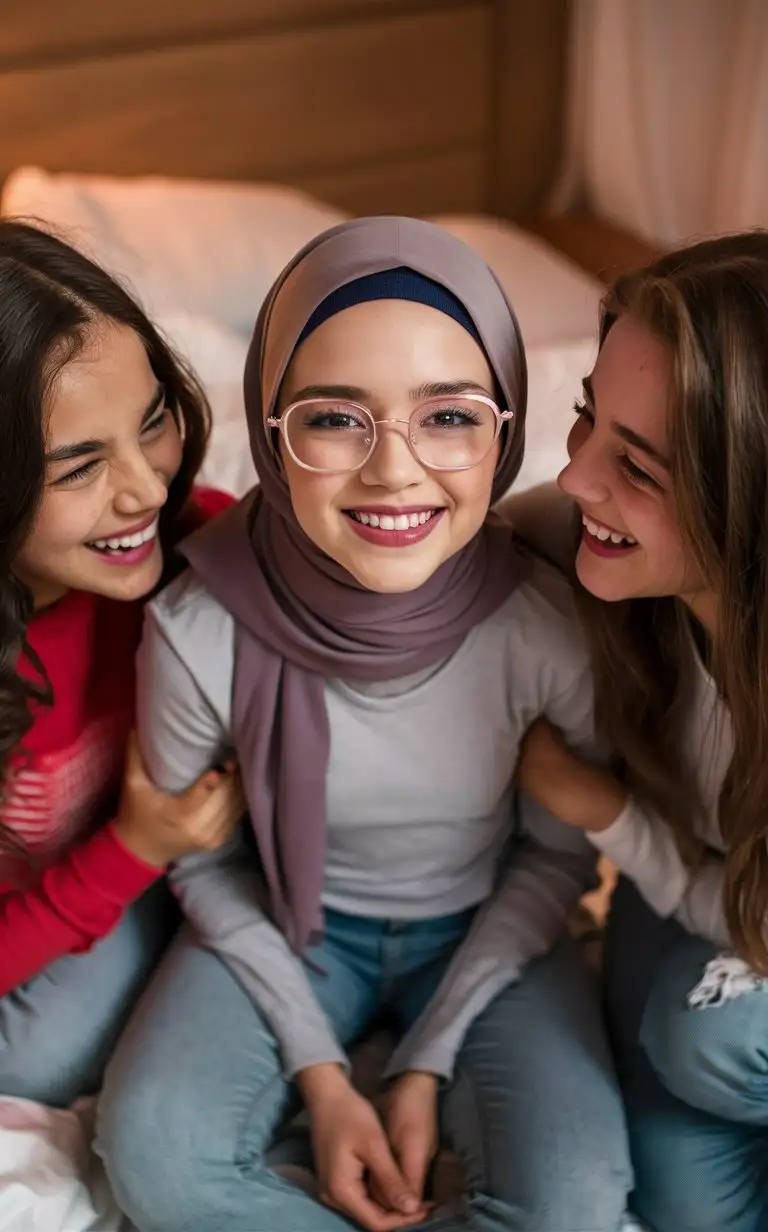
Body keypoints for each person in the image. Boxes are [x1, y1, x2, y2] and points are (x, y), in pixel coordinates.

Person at [96, 216, 632, 1232]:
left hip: (486, 920)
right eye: (335, 418)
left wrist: (425, 1059)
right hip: (288, 923)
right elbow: (198, 860)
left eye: (450, 417)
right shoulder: (197, 625)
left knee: (575, 1200)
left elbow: (559, 859)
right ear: (268, 431)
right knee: (156, 1155)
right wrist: (324, 1073)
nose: (394, 471)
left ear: (507, 433)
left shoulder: (546, 627)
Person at [506, 232, 768, 1232]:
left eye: (637, 467)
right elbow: (464, 533)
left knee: (701, 1041)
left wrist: (604, 810)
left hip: (729, 905)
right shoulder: (604, 545)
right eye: (587, 419)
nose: (577, 479)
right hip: (698, 876)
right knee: (682, 1205)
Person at [0, 220, 243, 1109]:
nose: (143, 488)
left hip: (183, 873)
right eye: (79, 467)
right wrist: (135, 849)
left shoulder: (196, 543)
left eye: (152, 422)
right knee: (27, 1059)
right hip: (105, 877)